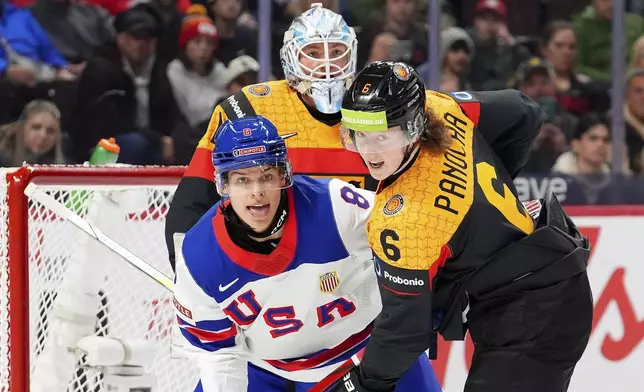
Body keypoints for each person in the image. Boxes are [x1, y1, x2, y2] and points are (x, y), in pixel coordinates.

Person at [325, 61, 593, 392]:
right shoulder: (442, 107)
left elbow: (405, 331)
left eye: (383, 136)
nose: (369, 151)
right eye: (360, 135)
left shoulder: (405, 219)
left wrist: (361, 385)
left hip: (533, 314)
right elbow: (523, 112)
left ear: (413, 129)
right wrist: (490, 187)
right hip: (545, 276)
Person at [172, 115, 441, 392]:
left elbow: (413, 234)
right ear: (224, 185)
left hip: (363, 352)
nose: (257, 192)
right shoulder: (198, 257)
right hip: (264, 367)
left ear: (284, 175)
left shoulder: (335, 207)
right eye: (242, 180)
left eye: (266, 177)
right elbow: (220, 354)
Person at [165, 3, 372, 271]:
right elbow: (192, 202)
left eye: (336, 51)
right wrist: (187, 273)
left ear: (352, 54)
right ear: (291, 60)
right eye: (312, 52)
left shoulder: (380, 110)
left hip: (362, 275)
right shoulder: (249, 109)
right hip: (270, 273)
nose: (327, 63)